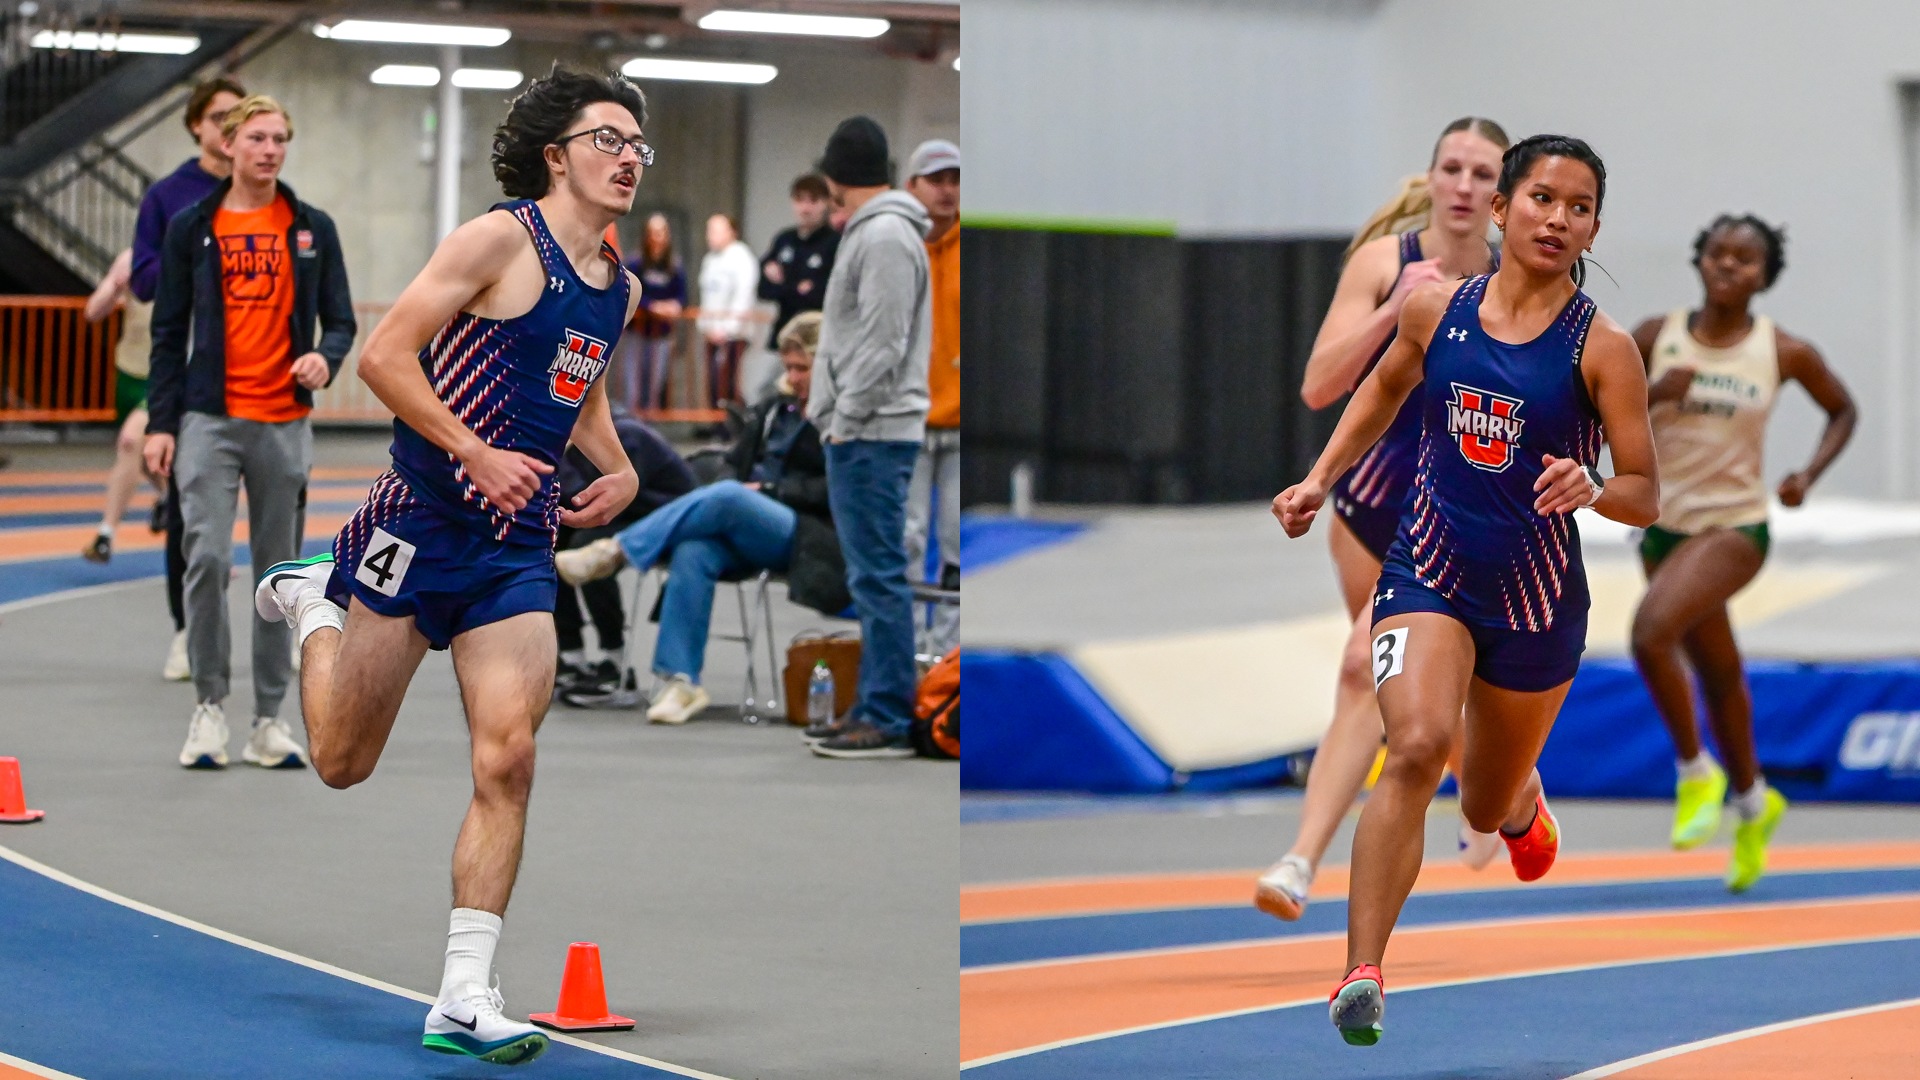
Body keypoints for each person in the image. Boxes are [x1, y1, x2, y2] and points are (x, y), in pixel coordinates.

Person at [252, 67, 646, 1064]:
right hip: (416, 522)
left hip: (515, 550)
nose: (630, 155)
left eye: (640, 143)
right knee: (342, 761)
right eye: (609, 138)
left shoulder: (617, 284)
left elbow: (578, 383)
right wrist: (471, 450)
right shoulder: (496, 239)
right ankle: (312, 604)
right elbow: (385, 356)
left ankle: (465, 994)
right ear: (557, 155)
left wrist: (621, 467)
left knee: (507, 755)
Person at [1272, 135, 1660, 1046]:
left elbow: (1646, 486)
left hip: (1534, 603)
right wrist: (1320, 479)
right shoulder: (1434, 311)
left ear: (1595, 225)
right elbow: (1381, 390)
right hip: (1427, 567)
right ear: (1500, 208)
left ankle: (1519, 804)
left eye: (1578, 207)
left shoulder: (1602, 349)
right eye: (1541, 199)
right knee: (1411, 746)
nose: (1557, 219)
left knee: (1481, 804)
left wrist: (1596, 490)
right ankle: (1361, 974)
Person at [1254, 118, 1511, 923]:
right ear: (1431, 177)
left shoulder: (1514, 282)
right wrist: (1393, 312)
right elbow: (1319, 386)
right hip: (1368, 514)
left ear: (1501, 197)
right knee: (1402, 689)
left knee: (1364, 667)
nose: (1464, 187)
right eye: (1453, 169)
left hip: (1456, 518)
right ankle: (1496, 795)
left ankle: (1299, 860)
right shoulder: (1385, 263)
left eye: (1482, 175)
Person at [1629, 214, 1855, 891]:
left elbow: (1843, 410)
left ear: (1765, 275)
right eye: (1719, 255)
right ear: (1699, 260)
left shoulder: (1783, 350)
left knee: (1650, 632)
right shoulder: (1653, 337)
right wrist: (1650, 395)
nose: (1731, 267)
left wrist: (1806, 477)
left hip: (1735, 529)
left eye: (1746, 260)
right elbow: (1590, 413)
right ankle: (1756, 803)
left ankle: (1696, 772)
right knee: (1720, 672)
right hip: (1664, 530)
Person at [144, 95, 355, 771]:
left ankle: (269, 719)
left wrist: (328, 356)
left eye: (280, 139)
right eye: (257, 138)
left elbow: (341, 321)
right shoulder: (192, 227)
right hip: (208, 418)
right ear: (229, 145)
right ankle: (209, 708)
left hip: (284, 421)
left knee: (279, 577)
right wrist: (160, 422)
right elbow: (168, 331)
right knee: (204, 557)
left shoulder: (311, 229)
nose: (269, 150)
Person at [555, 311, 852, 724]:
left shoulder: (842, 418)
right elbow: (733, 463)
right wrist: (739, 489)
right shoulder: (773, 410)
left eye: (803, 368)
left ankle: (617, 550)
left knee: (729, 496)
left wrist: (767, 492)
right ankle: (681, 680)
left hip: (808, 534)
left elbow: (836, 490)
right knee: (695, 549)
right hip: (744, 523)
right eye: (788, 367)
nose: (794, 376)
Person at [807, 115, 933, 759]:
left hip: (872, 433)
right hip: (866, 429)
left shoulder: (883, 236)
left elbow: (884, 343)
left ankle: (885, 714)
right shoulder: (879, 231)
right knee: (871, 576)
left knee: (878, 577)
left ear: (836, 178)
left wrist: (844, 416)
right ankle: (874, 703)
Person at [130, 76, 247, 680]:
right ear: (197, 126)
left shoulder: (265, 195)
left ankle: (274, 640)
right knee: (189, 512)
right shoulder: (169, 197)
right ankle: (186, 630)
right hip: (190, 372)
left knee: (270, 517)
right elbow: (145, 278)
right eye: (219, 119)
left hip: (259, 377)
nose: (230, 131)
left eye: (241, 120)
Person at [553, 407, 697, 703]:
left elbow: (600, 499)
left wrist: (554, 461)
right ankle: (572, 656)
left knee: (585, 542)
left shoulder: (625, 435)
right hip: (629, 516)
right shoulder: (572, 438)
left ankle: (615, 661)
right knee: (549, 537)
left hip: (672, 521)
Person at [902, 140, 961, 656]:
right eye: (936, 179)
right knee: (908, 539)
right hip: (912, 422)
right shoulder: (901, 247)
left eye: (955, 180)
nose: (947, 190)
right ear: (912, 187)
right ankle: (906, 649)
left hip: (959, 425)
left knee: (957, 546)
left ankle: (945, 655)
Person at [80, 248, 164, 566]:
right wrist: (116, 286)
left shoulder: (193, 253)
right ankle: (177, 507)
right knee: (147, 461)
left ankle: (105, 535)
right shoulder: (132, 258)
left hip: (165, 377)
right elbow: (92, 311)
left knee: (131, 442)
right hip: (129, 373)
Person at [757, 173, 838, 347]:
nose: (806, 208)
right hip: (782, 334)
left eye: (813, 201)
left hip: (817, 338)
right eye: (800, 200)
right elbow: (763, 290)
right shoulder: (784, 240)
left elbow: (819, 296)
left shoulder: (834, 243)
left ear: (826, 203)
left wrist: (783, 284)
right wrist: (797, 288)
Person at [620, 212, 685, 413]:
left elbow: (682, 296)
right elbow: (629, 291)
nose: (657, 237)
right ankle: (631, 426)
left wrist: (673, 306)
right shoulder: (635, 263)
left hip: (661, 335)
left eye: (661, 232)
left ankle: (648, 430)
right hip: (637, 332)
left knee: (655, 386)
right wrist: (652, 306)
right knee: (633, 388)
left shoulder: (674, 266)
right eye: (653, 232)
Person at [696, 213, 759, 407]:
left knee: (728, 382)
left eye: (715, 231)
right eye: (709, 231)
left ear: (731, 232)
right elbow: (707, 296)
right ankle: (717, 424)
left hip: (733, 334)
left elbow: (743, 295)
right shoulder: (710, 260)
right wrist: (705, 326)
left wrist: (728, 329)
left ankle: (731, 425)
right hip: (712, 332)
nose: (710, 236)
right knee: (713, 382)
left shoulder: (742, 258)